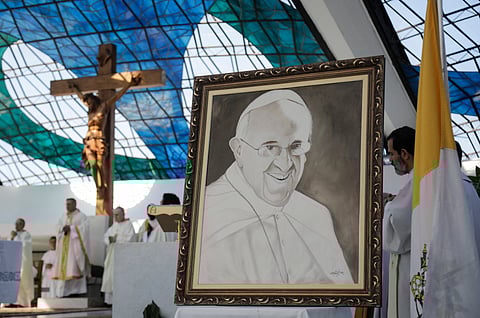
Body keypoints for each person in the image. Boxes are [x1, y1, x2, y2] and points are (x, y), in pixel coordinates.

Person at [199, 89, 352, 284]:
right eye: (270, 147)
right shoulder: (206, 211)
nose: (285, 163)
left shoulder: (316, 215)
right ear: (239, 150)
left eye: (296, 146)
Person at [70, 73, 141, 190]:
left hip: (99, 140)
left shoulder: (103, 107)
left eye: (89, 101)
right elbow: (82, 98)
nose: (87, 103)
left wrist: (128, 85)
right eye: (87, 102)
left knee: (99, 165)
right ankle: (99, 186)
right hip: (89, 141)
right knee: (93, 165)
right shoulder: (90, 112)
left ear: (93, 100)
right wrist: (75, 89)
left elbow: (116, 97)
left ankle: (102, 186)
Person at [383, 126, 415, 318]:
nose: (391, 159)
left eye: (392, 154)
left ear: (404, 153)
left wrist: (386, 206)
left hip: (409, 263)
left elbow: (397, 225)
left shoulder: (418, 180)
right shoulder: (419, 178)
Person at [51, 198, 90, 297]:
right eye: (66, 204)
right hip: (64, 247)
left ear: (75, 204)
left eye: (70, 204)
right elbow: (57, 227)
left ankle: (76, 292)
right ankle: (64, 292)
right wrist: (61, 228)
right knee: (64, 269)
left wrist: (72, 229)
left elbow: (84, 229)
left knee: (73, 268)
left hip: (74, 247)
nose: (67, 206)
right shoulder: (63, 216)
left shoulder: (81, 216)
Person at [101, 207, 135, 305]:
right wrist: (110, 240)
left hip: (123, 257)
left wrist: (117, 240)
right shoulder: (114, 225)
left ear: (123, 214)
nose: (115, 217)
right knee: (110, 276)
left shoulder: (128, 225)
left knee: (120, 277)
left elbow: (130, 238)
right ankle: (109, 301)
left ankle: (121, 300)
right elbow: (106, 236)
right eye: (114, 215)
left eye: (117, 214)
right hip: (112, 255)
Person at [10, 218, 34, 307]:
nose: (16, 226)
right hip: (13, 263)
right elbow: (9, 247)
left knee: (22, 281)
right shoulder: (13, 235)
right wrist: (12, 238)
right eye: (15, 224)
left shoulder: (26, 234)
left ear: (23, 225)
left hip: (22, 262)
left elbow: (26, 247)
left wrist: (17, 238)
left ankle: (23, 302)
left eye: (18, 224)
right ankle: (11, 301)